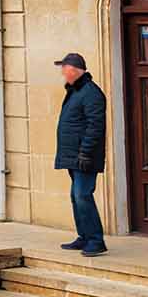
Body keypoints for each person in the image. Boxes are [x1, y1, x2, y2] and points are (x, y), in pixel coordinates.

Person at [54, 52, 107, 257]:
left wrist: (85, 153)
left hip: (84, 156)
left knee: (82, 195)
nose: (62, 73)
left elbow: (95, 127)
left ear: (74, 70)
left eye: (64, 69)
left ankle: (96, 240)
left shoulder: (91, 93)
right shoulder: (76, 91)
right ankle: (84, 237)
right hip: (74, 155)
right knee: (75, 197)